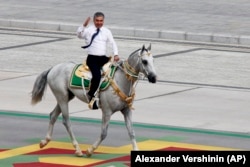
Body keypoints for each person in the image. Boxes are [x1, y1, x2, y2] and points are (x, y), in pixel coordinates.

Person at [77, 12, 120, 110]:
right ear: (94, 21)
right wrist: (83, 26)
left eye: (101, 21)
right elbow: (79, 35)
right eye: (97, 21)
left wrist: (116, 54)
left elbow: (112, 43)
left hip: (103, 58)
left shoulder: (106, 31)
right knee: (96, 76)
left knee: (115, 72)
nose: (99, 23)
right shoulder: (88, 30)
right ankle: (91, 95)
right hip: (92, 59)